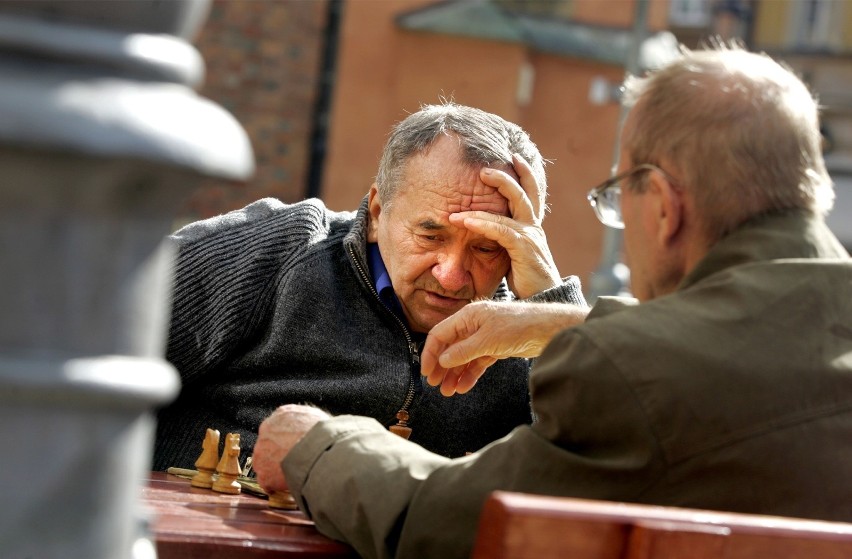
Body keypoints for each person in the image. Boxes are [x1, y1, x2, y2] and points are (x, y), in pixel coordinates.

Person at [253, 44, 852, 559]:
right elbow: (741, 338)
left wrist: (317, 445)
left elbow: (446, 527)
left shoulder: (637, 369)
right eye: (430, 233)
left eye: (618, 196)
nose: (451, 271)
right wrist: (564, 320)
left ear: (664, 207)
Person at [153, 102, 587, 471]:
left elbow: (609, 477)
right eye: (430, 236)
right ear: (378, 212)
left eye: (488, 248)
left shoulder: (530, 339)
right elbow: (98, 327)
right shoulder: (282, 248)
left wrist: (551, 312)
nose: (451, 275)